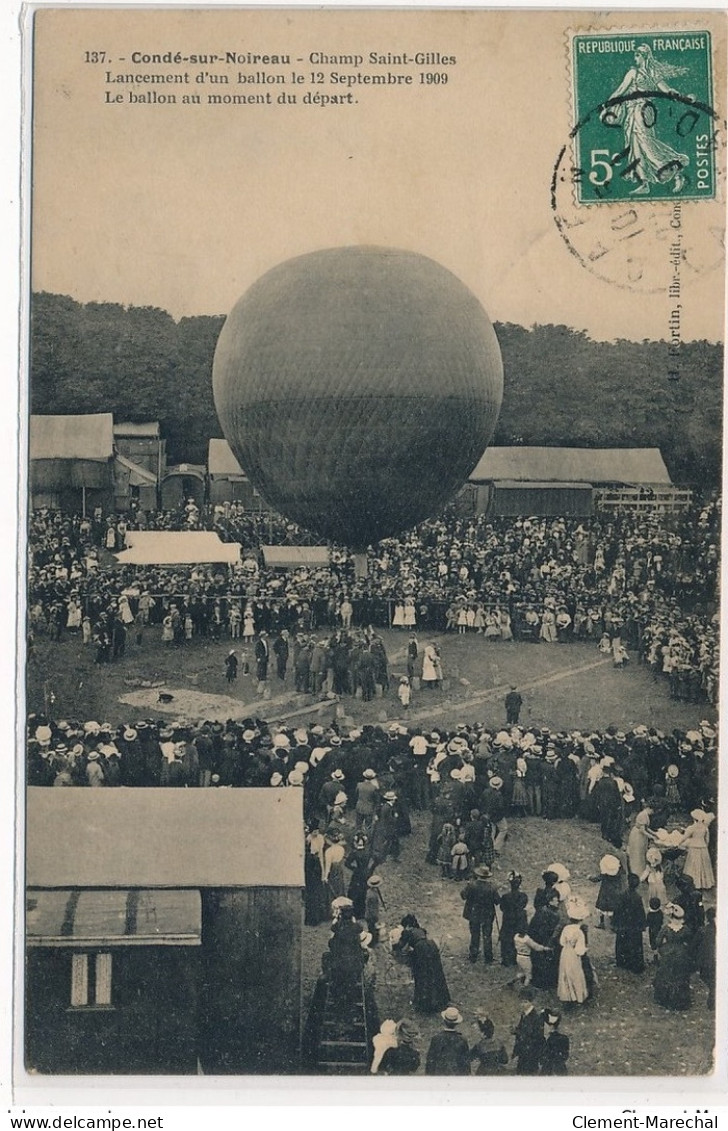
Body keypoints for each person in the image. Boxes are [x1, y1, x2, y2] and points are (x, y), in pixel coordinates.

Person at [602, 44, 690, 196]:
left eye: (637, 55)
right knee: (636, 147)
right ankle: (644, 183)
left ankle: (676, 170)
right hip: (645, 111)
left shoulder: (634, 72)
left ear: (644, 56)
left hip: (639, 111)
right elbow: (666, 89)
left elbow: (620, 91)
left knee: (646, 144)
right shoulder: (651, 73)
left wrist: (607, 104)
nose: (635, 58)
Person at [395, 915, 451, 1014]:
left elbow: (401, 946)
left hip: (421, 951)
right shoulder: (421, 930)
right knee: (435, 973)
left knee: (422, 977)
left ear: (407, 925)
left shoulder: (407, 932)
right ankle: (440, 1000)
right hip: (431, 947)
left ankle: (425, 1004)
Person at [653, 904, 694, 1011]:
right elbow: (690, 942)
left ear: (671, 917)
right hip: (681, 953)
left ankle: (665, 998)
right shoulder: (685, 929)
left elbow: (657, 941)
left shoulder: (666, 928)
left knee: (667, 974)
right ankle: (680, 998)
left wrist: (663, 947)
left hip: (668, 953)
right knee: (680, 975)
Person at [460, 865, 501, 964]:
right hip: (488, 915)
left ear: (477, 875)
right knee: (487, 935)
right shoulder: (492, 887)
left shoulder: (472, 885)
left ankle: (473, 956)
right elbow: (497, 901)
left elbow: (463, 896)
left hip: (474, 914)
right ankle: (488, 958)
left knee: (475, 934)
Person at [612, 872, 647, 974]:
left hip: (623, 925)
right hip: (634, 926)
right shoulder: (638, 898)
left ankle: (622, 962)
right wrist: (642, 925)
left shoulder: (622, 895)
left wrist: (615, 923)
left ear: (628, 883)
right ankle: (634, 964)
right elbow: (641, 913)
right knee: (634, 945)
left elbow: (617, 910)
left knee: (622, 943)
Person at [425, 1007, 470, 1075]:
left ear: (444, 1021)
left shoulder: (436, 1038)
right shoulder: (462, 1040)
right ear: (456, 1023)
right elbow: (465, 1063)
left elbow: (430, 1061)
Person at [679, 809, 715, 891]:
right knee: (703, 865)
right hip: (703, 847)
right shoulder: (705, 828)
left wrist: (679, 843)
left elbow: (684, 837)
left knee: (693, 865)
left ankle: (694, 883)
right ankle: (704, 883)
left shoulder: (692, 828)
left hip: (694, 847)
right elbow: (707, 840)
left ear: (694, 819)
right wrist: (705, 845)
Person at [512, 988, 544, 1075]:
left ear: (531, 1002)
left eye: (525, 1002)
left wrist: (518, 1032)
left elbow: (535, 1036)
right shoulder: (524, 1014)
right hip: (523, 1051)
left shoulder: (535, 1017)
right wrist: (516, 1030)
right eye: (521, 1002)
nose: (522, 1004)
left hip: (531, 1052)